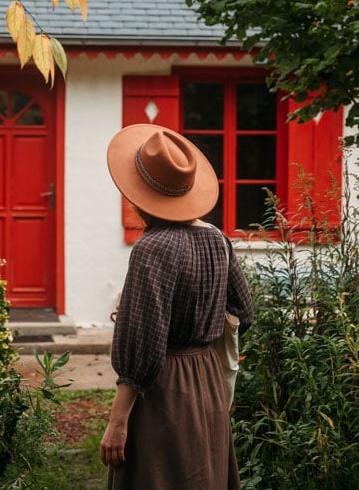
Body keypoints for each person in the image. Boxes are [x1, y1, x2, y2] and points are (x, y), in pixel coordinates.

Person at [100, 124, 254, 489]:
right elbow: (243, 313)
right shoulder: (217, 239)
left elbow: (144, 350)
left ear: (139, 194)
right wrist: (197, 318)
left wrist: (117, 421)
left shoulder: (152, 248)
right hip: (208, 381)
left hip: (164, 393)